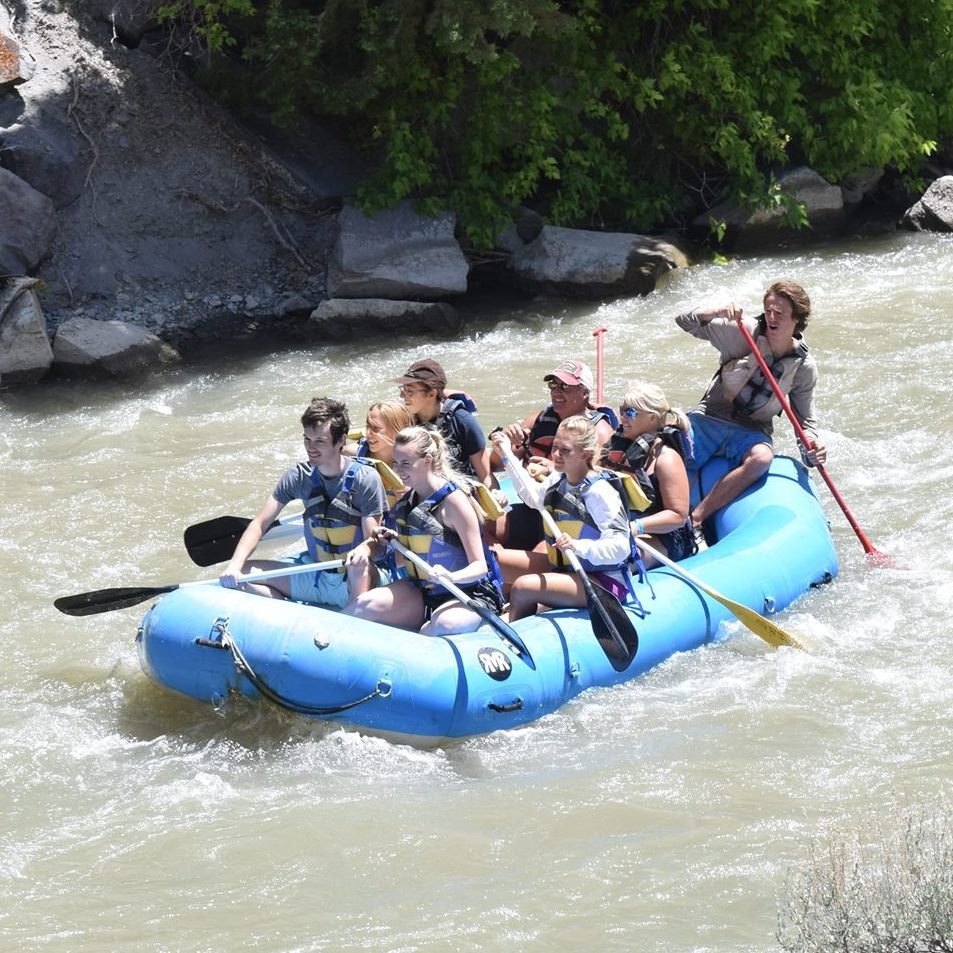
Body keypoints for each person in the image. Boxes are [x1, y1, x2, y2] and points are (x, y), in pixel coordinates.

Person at [676, 280, 827, 532]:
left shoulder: (803, 367)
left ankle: (697, 520)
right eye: (768, 310)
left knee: (762, 457)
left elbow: (805, 423)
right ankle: (667, 516)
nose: (771, 318)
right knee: (672, 448)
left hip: (751, 430)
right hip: (710, 417)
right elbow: (684, 321)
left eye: (780, 313)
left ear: (797, 319)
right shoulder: (741, 331)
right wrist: (715, 311)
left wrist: (811, 446)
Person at [220, 397, 387, 606]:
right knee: (244, 571)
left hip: (353, 578)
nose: (311, 448)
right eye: (307, 439)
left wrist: (364, 550)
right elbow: (260, 524)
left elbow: (374, 542)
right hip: (316, 576)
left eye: (320, 441)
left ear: (341, 441)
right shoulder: (298, 476)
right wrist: (234, 567)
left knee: (360, 566)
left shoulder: (366, 479)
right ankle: (290, 615)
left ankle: (354, 614)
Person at [345, 426, 504, 635]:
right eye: (396, 463)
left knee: (443, 624)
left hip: (468, 592)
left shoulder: (454, 502)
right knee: (364, 605)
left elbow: (480, 567)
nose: (398, 470)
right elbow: (400, 561)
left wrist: (451, 576)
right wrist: (388, 540)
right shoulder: (406, 502)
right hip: (423, 592)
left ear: (427, 460)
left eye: (406, 463)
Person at [491, 415, 632, 622]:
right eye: (555, 446)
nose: (555, 454)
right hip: (564, 568)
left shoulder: (599, 492)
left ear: (585, 454)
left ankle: (513, 636)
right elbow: (532, 497)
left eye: (565, 450)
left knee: (522, 587)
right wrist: (506, 455)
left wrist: (578, 546)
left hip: (602, 580)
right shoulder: (559, 478)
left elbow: (621, 547)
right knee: (493, 560)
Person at [493, 358, 616, 549]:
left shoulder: (600, 433)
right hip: (534, 508)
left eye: (565, 387)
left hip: (573, 520)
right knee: (487, 525)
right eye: (553, 385)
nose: (557, 391)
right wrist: (509, 443)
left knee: (541, 550)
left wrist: (557, 469)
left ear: (584, 393)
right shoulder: (538, 420)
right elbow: (494, 463)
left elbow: (605, 485)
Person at [601, 382, 696, 566]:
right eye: (622, 410)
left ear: (652, 418)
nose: (622, 417)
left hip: (663, 536)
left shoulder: (666, 458)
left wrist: (636, 527)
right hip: (620, 526)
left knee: (608, 559)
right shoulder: (618, 446)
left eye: (630, 412)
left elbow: (678, 515)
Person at [394, 359, 492, 487]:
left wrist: (495, 494)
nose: (402, 396)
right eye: (403, 389)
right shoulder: (405, 422)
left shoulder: (463, 422)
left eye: (410, 391)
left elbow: (486, 476)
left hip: (462, 491)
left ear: (431, 394)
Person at [351, 398, 414, 510]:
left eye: (376, 428)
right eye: (368, 426)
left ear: (397, 430)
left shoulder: (414, 467)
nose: (368, 433)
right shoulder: (353, 454)